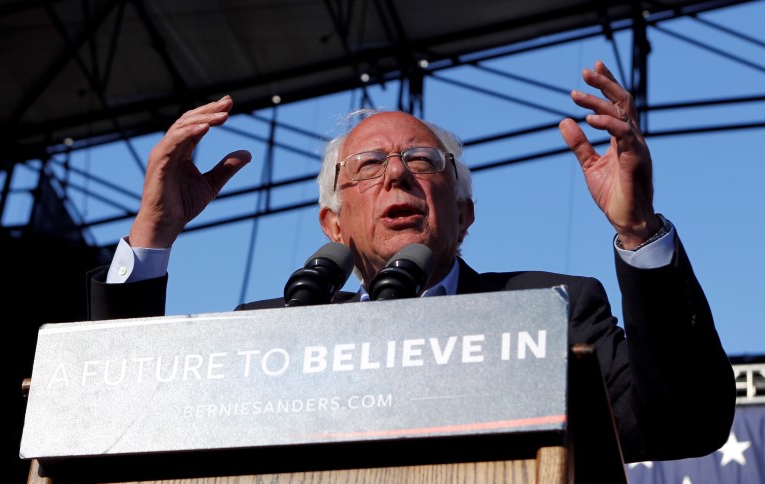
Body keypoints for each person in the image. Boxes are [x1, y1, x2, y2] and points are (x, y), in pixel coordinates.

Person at [86, 60, 735, 462]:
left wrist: (639, 230)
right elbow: (117, 424)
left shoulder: (556, 312)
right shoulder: (269, 334)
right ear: (332, 222)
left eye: (423, 161)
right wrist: (152, 237)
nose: (397, 172)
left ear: (464, 213)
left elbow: (688, 423)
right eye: (368, 165)